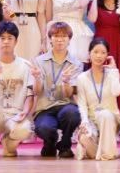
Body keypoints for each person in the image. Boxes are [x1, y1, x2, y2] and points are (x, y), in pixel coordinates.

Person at [0, 22, 36, 161]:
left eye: (10, 38)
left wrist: (25, 112)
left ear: (16, 41)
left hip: (15, 115)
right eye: (2, 38)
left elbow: (30, 95)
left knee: (24, 130)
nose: (6, 41)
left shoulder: (26, 65)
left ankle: (8, 142)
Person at [33, 22, 83, 158]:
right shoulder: (39, 61)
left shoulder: (76, 64)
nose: (60, 40)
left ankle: (65, 145)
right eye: (56, 36)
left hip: (66, 106)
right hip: (45, 108)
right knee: (44, 127)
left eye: (64, 36)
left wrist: (66, 82)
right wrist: (37, 78)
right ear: (50, 39)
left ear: (69, 39)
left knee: (73, 114)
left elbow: (69, 93)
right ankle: (50, 142)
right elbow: (36, 91)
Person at [75, 39, 120, 160]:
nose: (99, 56)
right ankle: (101, 151)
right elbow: (82, 104)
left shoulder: (111, 74)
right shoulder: (82, 78)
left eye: (103, 52)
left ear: (107, 55)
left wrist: (114, 71)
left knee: (105, 114)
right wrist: (84, 121)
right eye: (95, 52)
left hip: (111, 118)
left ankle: (107, 154)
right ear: (89, 54)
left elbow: (117, 92)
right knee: (84, 137)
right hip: (92, 120)